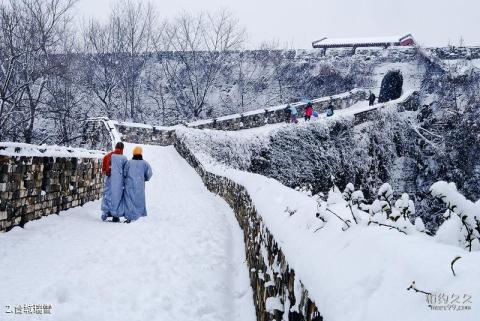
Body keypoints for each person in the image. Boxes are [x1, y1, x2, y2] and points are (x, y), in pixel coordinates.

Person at [123, 146, 153, 223]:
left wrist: (126, 179)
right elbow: (149, 173)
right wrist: (145, 178)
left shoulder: (129, 163)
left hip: (129, 185)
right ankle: (140, 214)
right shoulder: (145, 163)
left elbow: (124, 173)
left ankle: (130, 215)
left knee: (129, 200)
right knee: (139, 200)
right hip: (139, 185)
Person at [101, 142, 127, 222]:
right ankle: (115, 215)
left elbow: (104, 169)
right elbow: (125, 171)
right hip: (119, 182)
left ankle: (106, 213)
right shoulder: (124, 158)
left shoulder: (108, 156)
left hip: (109, 180)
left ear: (115, 147)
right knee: (117, 198)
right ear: (122, 149)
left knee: (107, 196)